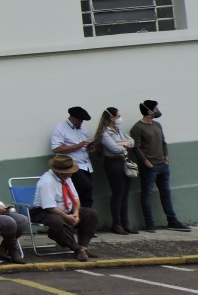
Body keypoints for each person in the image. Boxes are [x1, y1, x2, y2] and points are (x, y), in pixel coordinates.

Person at [129, 99, 190, 233]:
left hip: (163, 165)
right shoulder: (137, 128)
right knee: (147, 194)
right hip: (149, 167)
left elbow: (163, 142)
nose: (158, 111)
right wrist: (146, 162)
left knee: (166, 194)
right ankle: (149, 224)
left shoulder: (157, 124)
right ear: (149, 111)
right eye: (155, 109)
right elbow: (136, 148)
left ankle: (172, 221)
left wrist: (166, 157)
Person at [30, 155, 99, 261]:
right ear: (60, 172)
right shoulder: (47, 181)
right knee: (58, 221)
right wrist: (67, 217)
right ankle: (77, 248)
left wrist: (76, 214)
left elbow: (76, 199)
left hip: (67, 209)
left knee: (91, 213)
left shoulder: (66, 179)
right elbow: (50, 207)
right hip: (44, 211)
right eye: (69, 171)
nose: (71, 173)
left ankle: (83, 246)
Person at [91, 107, 136, 235]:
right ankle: (116, 224)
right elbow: (114, 149)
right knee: (118, 194)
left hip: (125, 161)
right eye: (118, 116)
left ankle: (125, 222)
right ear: (111, 118)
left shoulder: (119, 130)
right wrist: (125, 145)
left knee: (126, 194)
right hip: (113, 163)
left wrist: (122, 144)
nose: (120, 119)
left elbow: (132, 142)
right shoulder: (104, 133)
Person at [50, 106, 95, 208]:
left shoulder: (82, 128)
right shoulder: (60, 128)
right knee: (86, 186)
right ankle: (81, 214)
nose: (80, 122)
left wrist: (90, 147)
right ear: (71, 117)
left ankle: (86, 216)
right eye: (79, 120)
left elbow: (86, 144)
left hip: (86, 165)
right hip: (71, 165)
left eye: (82, 121)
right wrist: (78, 145)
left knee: (87, 193)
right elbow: (56, 149)